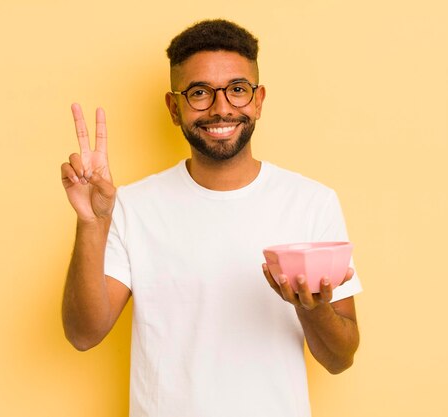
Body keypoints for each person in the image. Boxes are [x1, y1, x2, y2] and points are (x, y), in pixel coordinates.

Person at [61, 19, 362, 417]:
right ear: (174, 108)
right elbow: (84, 334)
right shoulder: (132, 206)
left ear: (258, 100)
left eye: (238, 90)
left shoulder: (311, 202)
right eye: (199, 92)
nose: (221, 108)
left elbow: (340, 358)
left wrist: (311, 307)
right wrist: (92, 224)